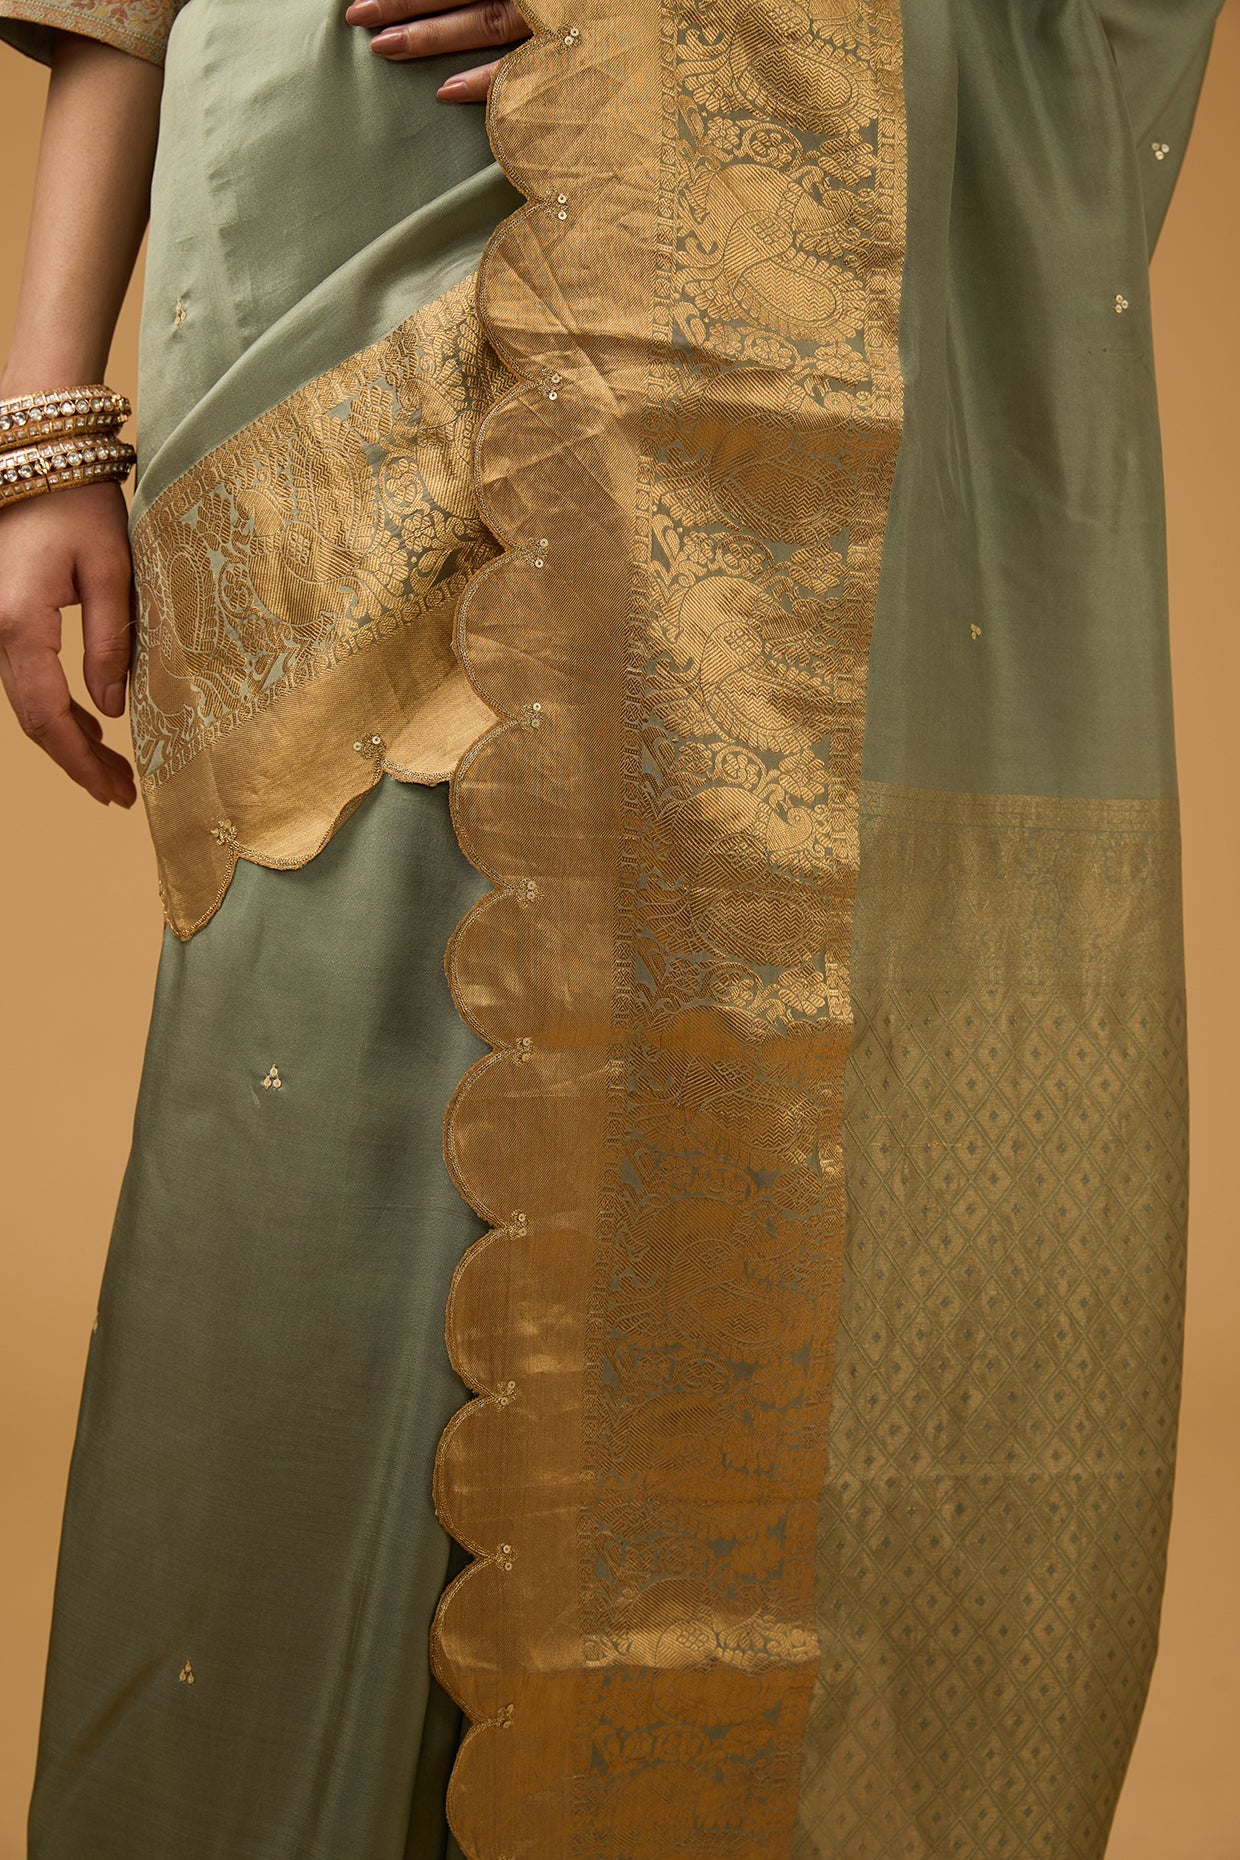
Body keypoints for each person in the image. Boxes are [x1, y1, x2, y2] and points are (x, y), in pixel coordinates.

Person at [0, 1, 1226, 1855]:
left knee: (693, 1173)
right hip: (322, 289)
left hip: (730, 289)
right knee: (307, 1205)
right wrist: (46, 416)